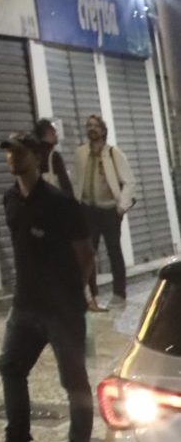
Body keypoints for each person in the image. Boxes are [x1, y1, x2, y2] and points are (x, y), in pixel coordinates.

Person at [0, 132, 95, 442]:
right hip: (25, 305)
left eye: (20, 151)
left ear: (36, 156)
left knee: (75, 385)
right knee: (11, 367)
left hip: (61, 310)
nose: (12, 157)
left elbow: (85, 252)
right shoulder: (10, 200)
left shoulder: (60, 203)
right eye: (9, 151)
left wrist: (75, 292)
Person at [72, 114, 136, 309]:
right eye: (89, 126)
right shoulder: (81, 153)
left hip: (109, 210)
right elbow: (75, 181)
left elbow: (129, 181)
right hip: (87, 210)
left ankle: (119, 294)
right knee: (88, 253)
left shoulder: (113, 153)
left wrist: (121, 206)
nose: (92, 129)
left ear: (103, 130)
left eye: (95, 126)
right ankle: (91, 296)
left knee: (113, 251)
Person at [33, 119, 76, 201]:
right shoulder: (54, 156)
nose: (56, 133)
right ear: (49, 132)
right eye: (54, 130)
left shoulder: (33, 155)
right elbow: (65, 184)